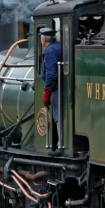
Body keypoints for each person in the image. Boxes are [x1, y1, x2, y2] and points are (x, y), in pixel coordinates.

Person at [39, 27, 62, 155]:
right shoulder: (59, 46)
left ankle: (61, 147)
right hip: (61, 86)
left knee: (58, 117)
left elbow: (51, 74)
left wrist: (46, 93)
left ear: (43, 39)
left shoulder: (50, 50)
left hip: (57, 88)